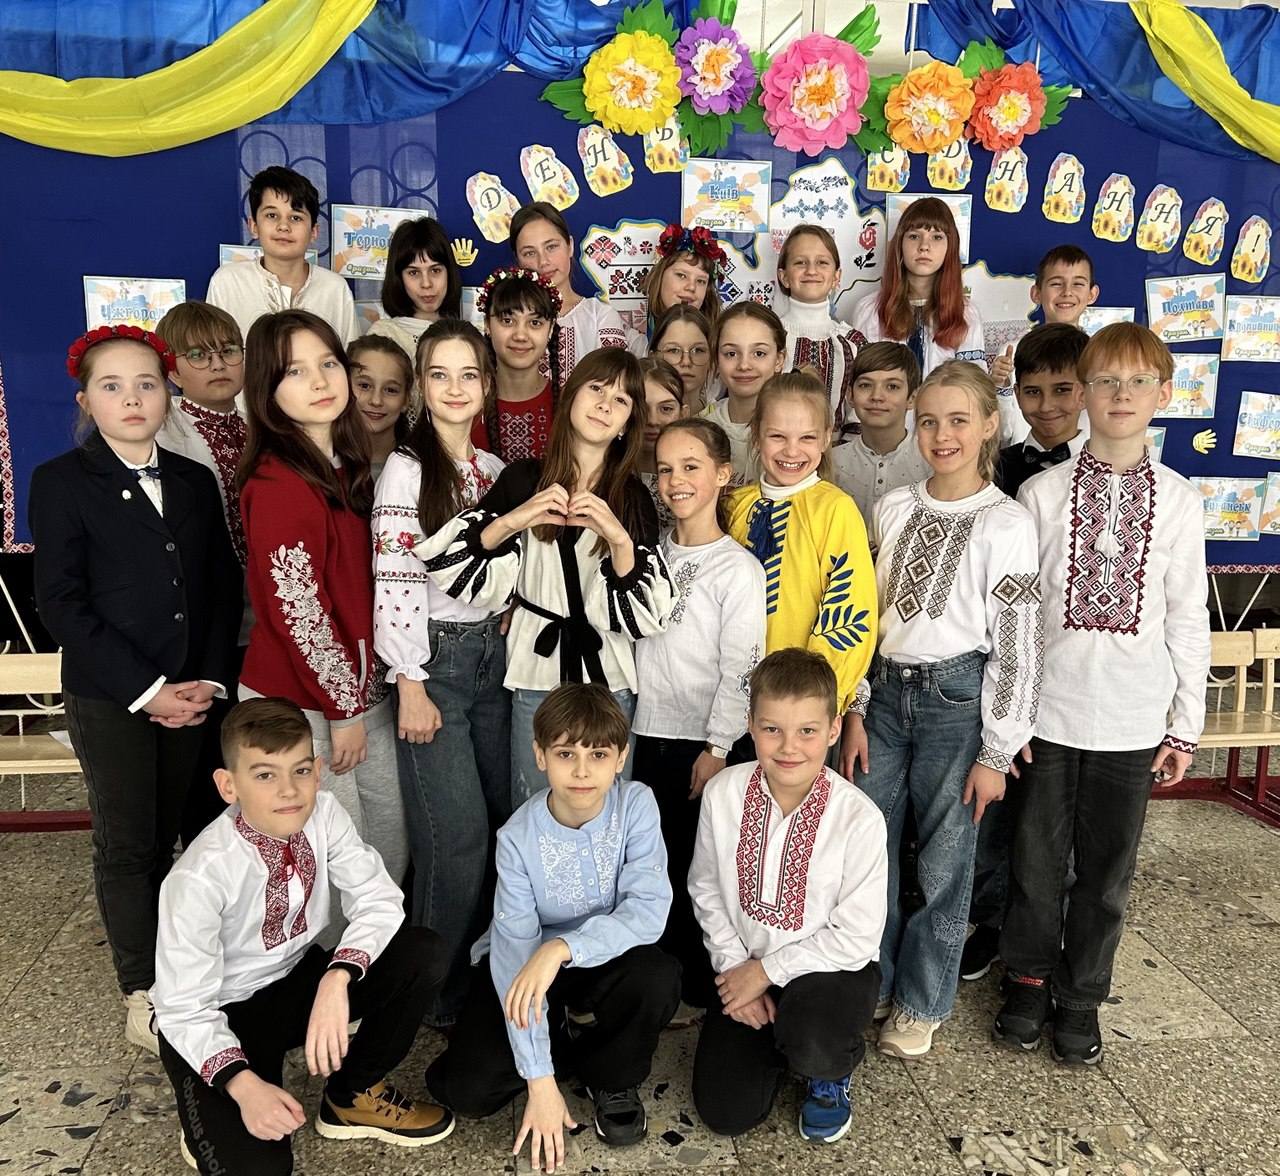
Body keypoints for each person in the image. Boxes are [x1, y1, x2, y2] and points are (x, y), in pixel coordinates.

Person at [995, 323, 1210, 1066]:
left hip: (1133, 719)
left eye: (1138, 381)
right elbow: (1016, 616)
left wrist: (1185, 725)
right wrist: (1008, 716)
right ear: (1082, 394)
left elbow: (1187, 615)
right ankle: (1027, 978)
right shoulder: (1040, 495)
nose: (1121, 395)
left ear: (1164, 393)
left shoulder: (1180, 502)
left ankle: (1082, 993)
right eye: (1106, 381)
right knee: (1035, 862)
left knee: (1107, 873)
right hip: (1048, 715)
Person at [29, 324, 241, 1054]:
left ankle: (206, 968)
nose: (132, 399)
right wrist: (148, 690)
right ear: (86, 400)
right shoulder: (61, 481)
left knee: (199, 832)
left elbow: (219, 588)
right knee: (131, 844)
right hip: (114, 696)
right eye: (113, 386)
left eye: (147, 384)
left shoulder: (193, 480)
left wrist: (207, 678)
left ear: (168, 393)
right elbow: (61, 603)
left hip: (193, 690)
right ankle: (144, 989)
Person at [152, 697, 454, 1174]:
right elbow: (182, 1007)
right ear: (228, 786)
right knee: (258, 1169)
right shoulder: (198, 877)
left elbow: (379, 899)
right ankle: (214, 1109)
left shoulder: (324, 812)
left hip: (297, 983)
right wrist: (243, 1086)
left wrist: (338, 976)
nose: (289, 791)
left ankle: (352, 1094)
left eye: (300, 770)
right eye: (264, 775)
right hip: (220, 1015)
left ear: (318, 771)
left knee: (424, 952)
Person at [847, 360, 1041, 1059]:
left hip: (957, 702)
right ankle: (871, 979)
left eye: (959, 420)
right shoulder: (895, 507)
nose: (942, 434)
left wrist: (997, 749)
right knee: (868, 848)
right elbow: (868, 616)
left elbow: (1018, 642)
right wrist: (856, 705)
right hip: (884, 695)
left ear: (990, 424)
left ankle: (922, 1000)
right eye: (928, 421)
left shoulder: (1006, 523)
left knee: (945, 861)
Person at [425, 685, 680, 1169]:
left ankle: (611, 1075)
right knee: (467, 1090)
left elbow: (648, 911)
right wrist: (539, 1081)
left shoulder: (637, 805)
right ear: (540, 756)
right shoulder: (517, 838)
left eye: (598, 754)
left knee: (657, 975)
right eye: (566, 754)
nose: (582, 771)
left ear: (620, 758)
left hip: (599, 957)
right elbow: (514, 955)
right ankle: (558, 1043)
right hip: (526, 965)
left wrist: (562, 947)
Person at [415, 347, 674, 806]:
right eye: (596, 389)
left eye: (620, 400)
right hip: (536, 669)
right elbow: (452, 564)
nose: (604, 405)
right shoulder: (523, 479)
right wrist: (516, 518)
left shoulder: (633, 496)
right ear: (571, 396)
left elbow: (645, 614)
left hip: (609, 675)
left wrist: (617, 538)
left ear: (627, 423)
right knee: (534, 802)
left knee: (606, 807)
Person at [688, 649, 887, 1143]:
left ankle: (827, 1069)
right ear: (751, 726)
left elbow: (857, 938)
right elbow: (706, 887)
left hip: (828, 978)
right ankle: (776, 1046)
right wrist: (737, 972)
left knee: (812, 1033)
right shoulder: (724, 793)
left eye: (807, 731)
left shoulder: (859, 818)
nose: (789, 747)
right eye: (772, 729)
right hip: (744, 967)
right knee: (725, 1113)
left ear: (834, 730)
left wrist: (766, 973)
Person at [238, 309, 408, 885]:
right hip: (304, 706)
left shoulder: (345, 466)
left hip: (358, 695)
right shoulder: (278, 483)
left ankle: (379, 943)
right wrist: (342, 712)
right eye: (295, 371)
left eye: (329, 363)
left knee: (384, 848)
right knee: (331, 864)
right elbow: (302, 616)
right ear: (266, 389)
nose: (319, 381)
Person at [372, 319, 509, 1027]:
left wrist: (508, 609)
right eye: (439, 375)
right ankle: (426, 995)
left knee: (497, 824)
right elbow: (395, 576)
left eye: (469, 374)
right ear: (421, 386)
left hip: (493, 660)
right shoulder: (407, 468)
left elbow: (503, 562)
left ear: (487, 385)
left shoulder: (491, 469)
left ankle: (473, 976)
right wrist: (411, 680)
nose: (455, 388)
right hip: (436, 664)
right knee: (453, 842)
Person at [633, 418, 765, 1009]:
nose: (676, 480)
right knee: (650, 864)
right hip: (644, 733)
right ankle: (655, 986)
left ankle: (697, 989)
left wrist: (717, 748)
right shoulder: (648, 555)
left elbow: (742, 668)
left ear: (722, 475)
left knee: (695, 867)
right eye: (665, 469)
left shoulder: (736, 568)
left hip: (700, 742)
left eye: (691, 467)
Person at [726, 371, 877, 774]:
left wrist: (815, 702)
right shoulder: (734, 507)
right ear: (756, 435)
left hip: (797, 714)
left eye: (807, 437)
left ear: (826, 438)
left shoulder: (835, 510)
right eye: (777, 436)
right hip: (729, 702)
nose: (792, 450)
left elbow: (851, 613)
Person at [155, 301, 253, 842]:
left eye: (228, 350)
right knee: (202, 773)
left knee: (249, 757)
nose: (217, 364)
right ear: (172, 369)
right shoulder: (164, 431)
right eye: (198, 354)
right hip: (199, 622)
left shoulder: (258, 424)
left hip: (258, 618)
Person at [207, 166, 358, 346]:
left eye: (295, 218)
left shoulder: (335, 289)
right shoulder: (227, 282)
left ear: (314, 232)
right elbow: (214, 353)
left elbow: (349, 356)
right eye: (272, 215)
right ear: (253, 226)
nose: (283, 226)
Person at [847, 197, 985, 381]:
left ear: (950, 247)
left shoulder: (965, 314)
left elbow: (973, 386)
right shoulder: (870, 310)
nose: (924, 247)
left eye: (937, 237)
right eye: (914, 236)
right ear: (900, 244)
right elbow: (860, 382)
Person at [990, 245, 1099, 438]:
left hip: (1083, 455)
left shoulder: (1100, 355)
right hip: (1025, 455)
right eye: (1056, 283)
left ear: (1092, 294)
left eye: (1078, 284)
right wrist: (1001, 387)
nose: (1067, 292)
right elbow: (1003, 433)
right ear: (1036, 293)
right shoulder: (1012, 352)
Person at [510, 202, 626, 378]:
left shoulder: (599, 316)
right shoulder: (507, 321)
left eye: (551, 247)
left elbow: (613, 384)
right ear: (518, 260)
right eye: (529, 253)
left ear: (570, 246)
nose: (543, 262)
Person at [775, 223, 868, 428]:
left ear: (836, 277)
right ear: (784, 277)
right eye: (800, 262)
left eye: (822, 262)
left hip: (839, 446)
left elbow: (859, 416)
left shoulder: (853, 343)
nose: (811, 271)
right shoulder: (768, 337)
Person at [829, 341, 929, 523]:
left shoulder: (930, 463)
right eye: (865, 385)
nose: (876, 396)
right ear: (850, 395)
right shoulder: (831, 463)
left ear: (912, 398)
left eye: (892, 387)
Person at [475, 267, 563, 463]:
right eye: (507, 320)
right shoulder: (465, 403)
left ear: (550, 329)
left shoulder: (570, 406)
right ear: (487, 324)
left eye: (535, 323)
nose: (521, 335)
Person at [993, 324, 1089, 501]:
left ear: (1084, 393)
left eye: (1061, 390)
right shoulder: (993, 469)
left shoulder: (1109, 470)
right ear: (1017, 394)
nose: (1046, 406)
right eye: (1033, 392)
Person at [700, 302, 786, 485]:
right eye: (731, 354)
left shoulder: (795, 433)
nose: (744, 365)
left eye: (759, 353)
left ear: (779, 359)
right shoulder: (699, 430)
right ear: (716, 360)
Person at [367, 216, 462, 363]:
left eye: (435, 270)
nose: (426, 283)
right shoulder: (383, 335)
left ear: (449, 272)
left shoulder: (466, 335)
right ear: (399, 278)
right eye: (414, 273)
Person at [634, 223, 726, 352]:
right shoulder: (634, 343)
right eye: (681, 275)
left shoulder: (720, 346)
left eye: (701, 281)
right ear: (660, 276)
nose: (691, 287)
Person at [347, 335, 412, 482]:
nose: (376, 401)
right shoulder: (323, 464)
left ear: (406, 400)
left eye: (390, 390)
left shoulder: (420, 468)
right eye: (364, 386)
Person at [635, 355, 687, 531]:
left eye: (666, 409)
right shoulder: (607, 471)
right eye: (642, 409)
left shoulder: (696, 473)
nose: (652, 420)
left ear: (683, 414)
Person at [649, 304, 714, 415]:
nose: (686, 362)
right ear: (653, 357)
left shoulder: (722, 420)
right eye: (674, 350)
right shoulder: (632, 419)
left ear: (711, 360)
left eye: (697, 350)